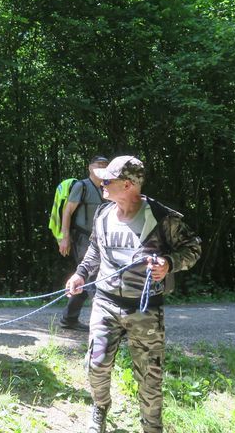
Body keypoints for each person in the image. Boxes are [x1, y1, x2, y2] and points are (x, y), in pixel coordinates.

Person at [65, 156, 201, 433]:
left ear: (127, 184)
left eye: (108, 180)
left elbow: (194, 247)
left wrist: (169, 263)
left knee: (150, 377)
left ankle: (152, 427)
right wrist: (80, 274)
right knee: (97, 365)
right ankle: (100, 408)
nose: (102, 183)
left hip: (146, 309)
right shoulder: (103, 213)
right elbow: (94, 249)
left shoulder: (162, 218)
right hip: (105, 302)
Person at [58, 155, 109, 331]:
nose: (102, 166)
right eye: (98, 164)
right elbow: (67, 211)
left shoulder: (108, 187)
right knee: (92, 277)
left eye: (105, 164)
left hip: (102, 240)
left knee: (87, 278)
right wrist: (64, 237)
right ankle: (105, 324)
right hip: (82, 238)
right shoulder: (82, 186)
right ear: (89, 167)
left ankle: (69, 318)